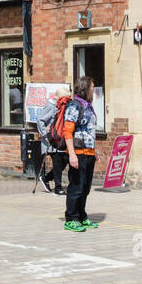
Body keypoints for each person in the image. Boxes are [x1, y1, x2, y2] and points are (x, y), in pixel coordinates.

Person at [62, 77, 99, 232]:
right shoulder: (74, 106)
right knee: (76, 187)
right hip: (78, 153)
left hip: (88, 153)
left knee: (85, 187)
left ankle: (82, 216)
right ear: (85, 89)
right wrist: (72, 155)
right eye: (92, 87)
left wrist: (94, 151)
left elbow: (89, 131)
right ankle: (71, 218)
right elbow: (67, 131)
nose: (94, 90)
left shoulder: (88, 106)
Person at [36, 92, 70, 195]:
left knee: (64, 161)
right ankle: (58, 188)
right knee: (57, 162)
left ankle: (46, 178)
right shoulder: (51, 106)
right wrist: (45, 135)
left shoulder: (62, 106)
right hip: (51, 141)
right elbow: (40, 120)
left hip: (60, 141)